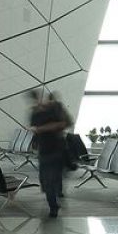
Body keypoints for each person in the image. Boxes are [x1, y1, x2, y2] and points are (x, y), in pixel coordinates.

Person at [27, 89, 72, 220]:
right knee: (46, 180)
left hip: (55, 150)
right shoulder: (35, 113)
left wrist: (42, 129)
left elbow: (63, 124)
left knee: (50, 179)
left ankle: (54, 204)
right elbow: (34, 128)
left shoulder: (55, 109)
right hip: (45, 150)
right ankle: (54, 201)